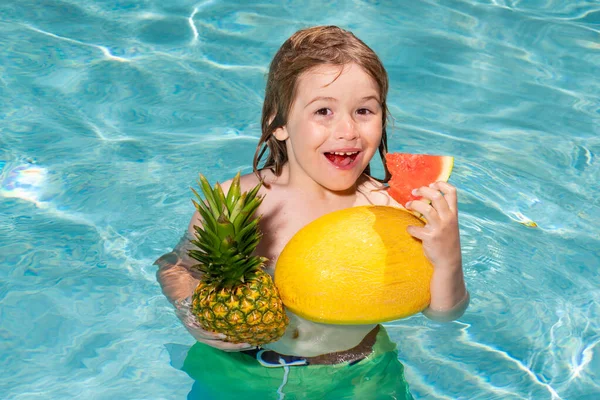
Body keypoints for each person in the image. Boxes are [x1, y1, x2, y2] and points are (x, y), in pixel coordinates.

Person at [155, 25, 469, 399]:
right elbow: (177, 266)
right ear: (280, 123)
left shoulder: (391, 211)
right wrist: (191, 313)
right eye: (323, 110)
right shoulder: (233, 204)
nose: (348, 129)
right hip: (237, 372)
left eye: (364, 110)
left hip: (355, 375)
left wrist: (448, 257)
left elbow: (442, 314)